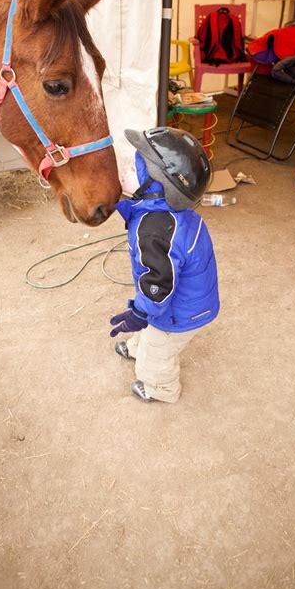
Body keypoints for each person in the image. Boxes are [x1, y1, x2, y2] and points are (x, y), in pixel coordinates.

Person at [109, 127, 219, 403]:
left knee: (156, 354)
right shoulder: (163, 214)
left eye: (134, 170)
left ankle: (161, 389)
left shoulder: (155, 231)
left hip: (180, 312)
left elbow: (158, 285)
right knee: (150, 321)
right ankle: (138, 342)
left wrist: (140, 313)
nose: (124, 170)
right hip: (181, 298)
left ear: (156, 186)